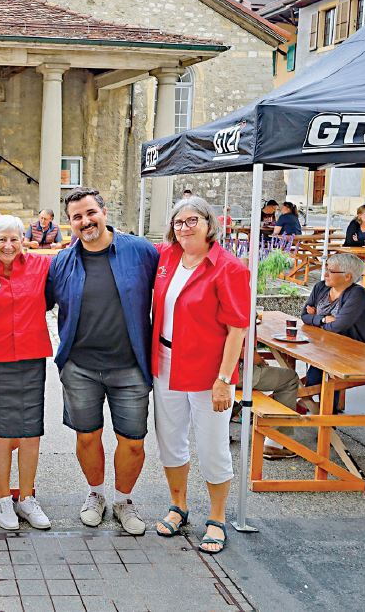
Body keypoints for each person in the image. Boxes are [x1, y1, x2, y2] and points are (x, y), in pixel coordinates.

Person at [48, 188, 159, 536]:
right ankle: (96, 493)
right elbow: (38, 303)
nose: (85, 221)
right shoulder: (62, 262)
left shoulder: (140, 251)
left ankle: (124, 499)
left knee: (133, 440)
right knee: (86, 437)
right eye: (77, 217)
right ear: (70, 223)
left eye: (90, 213)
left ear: (104, 211)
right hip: (80, 367)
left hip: (129, 366)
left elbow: (174, 287)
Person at [151, 197, 249, 555]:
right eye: (178, 222)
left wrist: (225, 379)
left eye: (192, 220)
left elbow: (237, 328)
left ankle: (218, 517)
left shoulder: (229, 267)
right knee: (170, 440)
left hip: (210, 372)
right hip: (165, 362)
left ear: (210, 224)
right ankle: (179, 506)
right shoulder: (167, 257)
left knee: (212, 447)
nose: (185, 227)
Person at [0, 215, 53, 531]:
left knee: (31, 431)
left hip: (31, 357)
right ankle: (3, 498)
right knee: (2, 431)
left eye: (14, 239)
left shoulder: (41, 267)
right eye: (1, 239)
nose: (8, 245)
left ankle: (27, 497)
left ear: (24, 240)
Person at [300, 252, 365, 413]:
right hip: (325, 344)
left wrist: (315, 318)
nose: (325, 274)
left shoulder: (357, 293)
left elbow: (340, 325)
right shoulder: (320, 287)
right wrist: (324, 320)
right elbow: (304, 316)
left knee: (320, 377)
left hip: (354, 349)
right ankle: (315, 409)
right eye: (326, 268)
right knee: (315, 378)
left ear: (347, 276)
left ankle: (325, 418)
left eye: (331, 271)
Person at [234, 337, 300, 460]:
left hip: (213, 370)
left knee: (252, 384)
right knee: (290, 378)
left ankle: (224, 424)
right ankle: (275, 443)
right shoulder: (243, 317)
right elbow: (242, 350)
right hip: (235, 372)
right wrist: (259, 361)